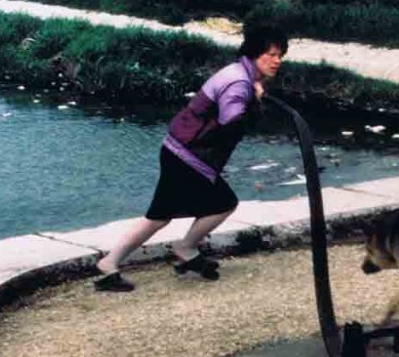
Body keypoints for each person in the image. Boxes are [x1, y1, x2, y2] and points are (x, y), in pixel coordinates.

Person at [92, 22, 290, 291]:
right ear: (255, 53)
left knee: (161, 215)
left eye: (280, 55)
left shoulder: (240, 73)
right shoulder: (239, 83)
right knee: (222, 203)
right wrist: (255, 102)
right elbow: (231, 123)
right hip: (188, 157)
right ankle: (183, 249)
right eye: (272, 54)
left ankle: (116, 262)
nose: (277, 61)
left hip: (180, 150)